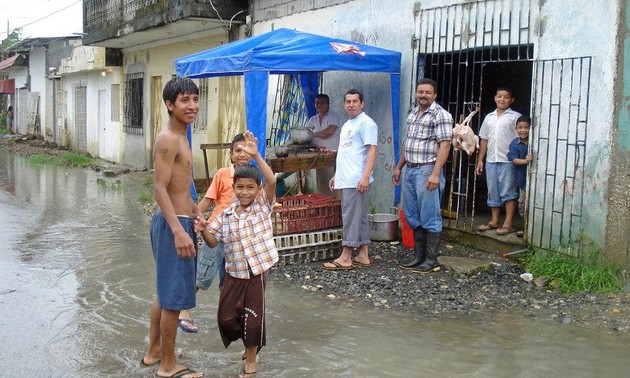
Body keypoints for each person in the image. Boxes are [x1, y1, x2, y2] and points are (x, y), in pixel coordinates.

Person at [195, 131, 278, 378]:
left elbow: (272, 181)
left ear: (258, 189)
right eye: (240, 187)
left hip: (255, 273)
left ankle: (251, 358)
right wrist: (201, 229)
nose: (244, 192)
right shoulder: (226, 214)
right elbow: (212, 241)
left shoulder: (263, 206)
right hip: (233, 274)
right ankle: (251, 340)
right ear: (233, 188)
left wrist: (256, 155)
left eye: (250, 188)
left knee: (252, 318)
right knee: (225, 318)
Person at [141, 77, 203, 378]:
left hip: (180, 219)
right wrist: (179, 230)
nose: (191, 106)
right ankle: (168, 366)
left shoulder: (182, 137)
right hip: (172, 225)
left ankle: (155, 352)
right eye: (184, 100)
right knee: (174, 299)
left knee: (164, 293)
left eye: (195, 99)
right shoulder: (169, 139)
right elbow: (160, 189)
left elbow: (181, 188)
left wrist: (196, 213)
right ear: (170, 104)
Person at [177, 133, 251, 333]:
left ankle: (227, 316)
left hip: (238, 238)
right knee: (204, 272)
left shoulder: (253, 177)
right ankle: (183, 309)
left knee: (230, 279)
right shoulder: (222, 175)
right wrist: (191, 219)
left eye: (246, 150)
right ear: (231, 154)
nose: (242, 154)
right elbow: (208, 201)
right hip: (215, 233)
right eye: (238, 150)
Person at [393, 78, 453, 274]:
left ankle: (431, 260)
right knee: (412, 215)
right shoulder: (413, 114)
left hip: (427, 169)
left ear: (434, 95)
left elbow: (445, 145)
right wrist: (399, 166)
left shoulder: (441, 115)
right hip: (410, 169)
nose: (423, 95)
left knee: (429, 215)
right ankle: (418, 257)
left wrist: (435, 174)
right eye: (420, 92)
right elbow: (408, 143)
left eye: (427, 92)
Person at [323, 89, 377, 270]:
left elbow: (372, 151)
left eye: (355, 101)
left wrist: (365, 176)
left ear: (362, 104)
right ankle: (363, 254)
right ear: (344, 104)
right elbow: (347, 153)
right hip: (346, 177)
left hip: (356, 179)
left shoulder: (366, 123)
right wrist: (337, 175)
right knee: (359, 216)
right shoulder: (347, 125)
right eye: (348, 102)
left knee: (350, 217)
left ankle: (346, 256)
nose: (352, 105)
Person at [475, 87, 521, 235]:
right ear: (495, 98)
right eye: (499, 96)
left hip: (508, 161)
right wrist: (480, 159)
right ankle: (494, 221)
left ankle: (508, 224)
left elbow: (522, 138)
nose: (502, 99)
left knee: (509, 192)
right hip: (491, 160)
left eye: (506, 97)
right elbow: (484, 139)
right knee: (493, 191)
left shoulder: (515, 117)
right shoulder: (489, 117)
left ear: (511, 100)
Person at [304, 93, 341, 196]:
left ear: (328, 104)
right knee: (322, 181)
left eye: (323, 103)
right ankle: (324, 204)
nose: (320, 105)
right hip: (319, 155)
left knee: (334, 181)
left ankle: (335, 206)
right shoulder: (313, 119)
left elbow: (329, 131)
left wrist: (314, 134)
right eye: (317, 103)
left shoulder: (333, 116)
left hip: (333, 155)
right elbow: (306, 133)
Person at [507, 115, 533, 238]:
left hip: (536, 181)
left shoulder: (536, 142)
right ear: (516, 129)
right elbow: (514, 160)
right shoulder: (514, 144)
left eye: (526, 127)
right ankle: (525, 227)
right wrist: (526, 161)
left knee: (534, 204)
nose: (523, 130)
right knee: (523, 204)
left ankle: (531, 230)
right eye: (520, 127)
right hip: (523, 180)